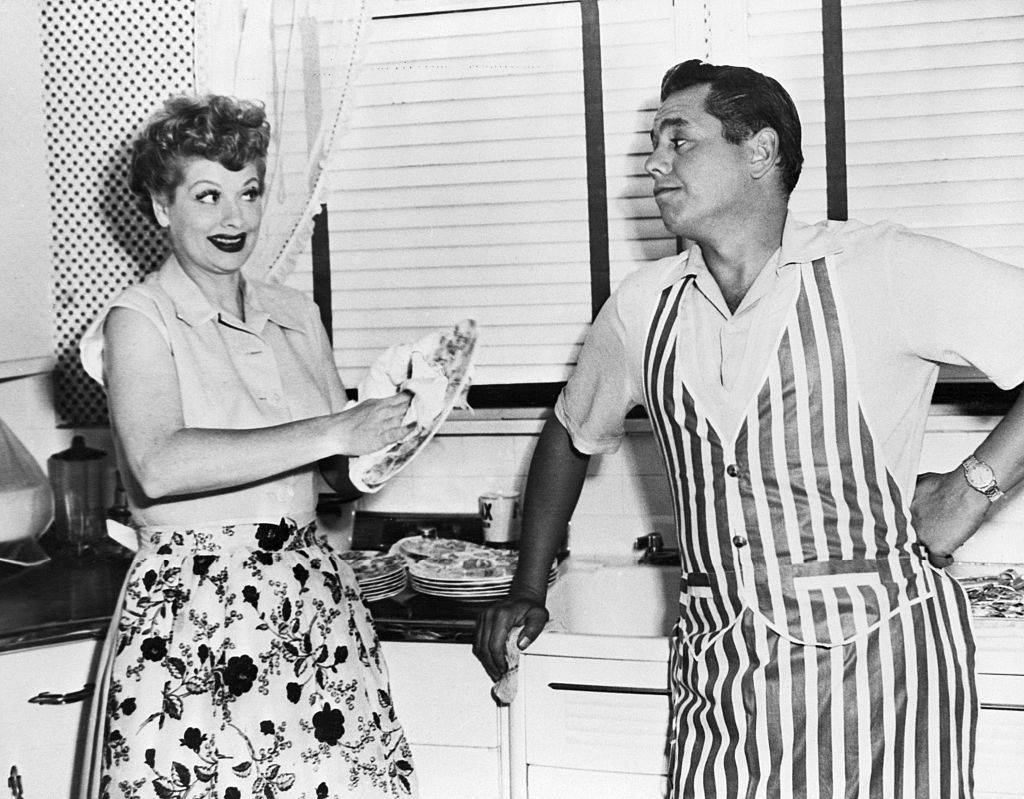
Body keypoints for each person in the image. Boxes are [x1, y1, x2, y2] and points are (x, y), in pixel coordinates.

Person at [475, 59, 1024, 798]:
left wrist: (973, 486)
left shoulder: (876, 269)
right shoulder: (642, 308)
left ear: (759, 152)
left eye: (680, 139)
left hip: (883, 682)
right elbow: (571, 432)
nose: (653, 162)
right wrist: (528, 584)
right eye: (654, 143)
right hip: (721, 685)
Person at [79, 94, 418, 798]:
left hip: (312, 610)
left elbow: (330, 479)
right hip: (197, 620)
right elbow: (160, 463)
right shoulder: (137, 320)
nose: (234, 219)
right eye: (208, 195)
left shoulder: (296, 314)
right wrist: (334, 428)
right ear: (161, 207)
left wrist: (400, 427)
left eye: (250, 192)